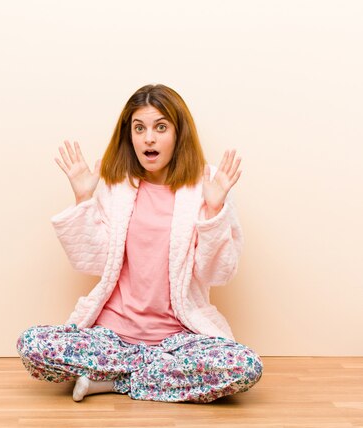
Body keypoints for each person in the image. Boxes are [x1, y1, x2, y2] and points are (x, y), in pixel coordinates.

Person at [16, 84, 263, 403]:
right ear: (129, 136)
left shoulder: (206, 186)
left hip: (180, 341)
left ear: (178, 134)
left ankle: (109, 380)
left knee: (244, 367)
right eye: (139, 128)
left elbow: (219, 274)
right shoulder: (115, 185)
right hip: (111, 338)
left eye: (161, 127)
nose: (149, 138)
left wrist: (214, 211)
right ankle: (149, 375)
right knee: (33, 345)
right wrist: (82, 199)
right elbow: (91, 263)